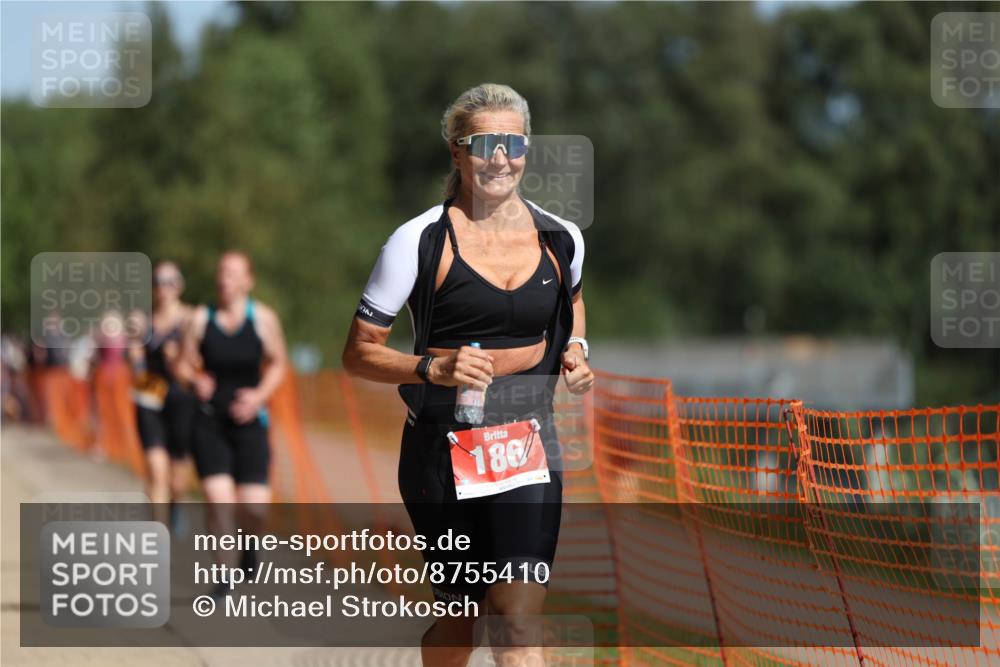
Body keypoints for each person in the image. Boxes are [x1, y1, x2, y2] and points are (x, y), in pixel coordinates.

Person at [342, 83, 593, 667]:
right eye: (483, 143)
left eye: (512, 142)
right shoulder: (418, 241)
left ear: (527, 148)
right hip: (441, 452)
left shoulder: (561, 238)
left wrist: (575, 348)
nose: (499, 156)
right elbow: (357, 353)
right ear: (457, 152)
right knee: (462, 622)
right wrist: (433, 366)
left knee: (517, 621)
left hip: (528, 448)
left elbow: (573, 300)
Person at [178, 251, 288, 598]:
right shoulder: (199, 318)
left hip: (250, 423)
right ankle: (223, 575)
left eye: (232, 273)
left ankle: (249, 546)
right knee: (217, 499)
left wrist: (258, 396)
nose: (223, 278)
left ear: (247, 281)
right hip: (210, 422)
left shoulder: (263, 320)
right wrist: (194, 380)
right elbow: (181, 364)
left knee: (254, 509)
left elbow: (278, 364)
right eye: (221, 271)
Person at [128, 261, 197, 525]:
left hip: (181, 395)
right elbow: (135, 358)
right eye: (158, 281)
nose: (163, 288)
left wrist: (179, 358)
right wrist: (137, 360)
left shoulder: (191, 318)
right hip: (149, 392)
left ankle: (175, 502)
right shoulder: (142, 320)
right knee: (157, 471)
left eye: (169, 281)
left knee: (177, 480)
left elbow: (199, 359)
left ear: (180, 285)